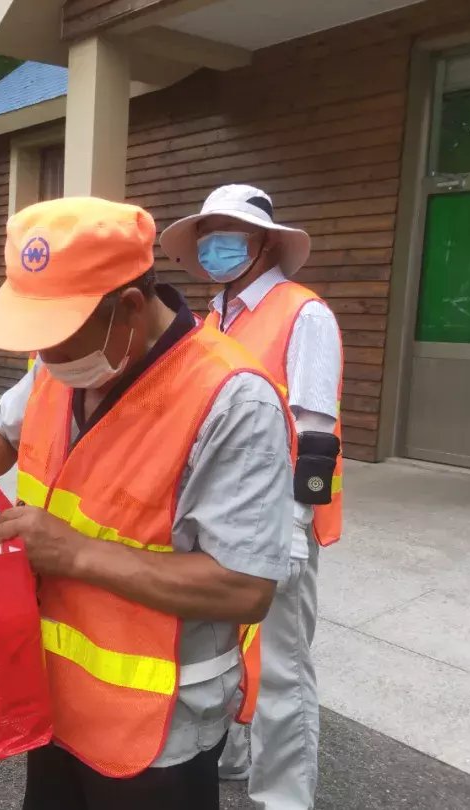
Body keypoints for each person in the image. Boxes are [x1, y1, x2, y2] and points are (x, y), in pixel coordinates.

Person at [0, 196, 294, 809]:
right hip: (52, 697)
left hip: (158, 723)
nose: (45, 358)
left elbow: (244, 588)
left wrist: (72, 553)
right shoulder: (64, 364)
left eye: (59, 339)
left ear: (129, 309)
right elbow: (3, 434)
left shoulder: (232, 402)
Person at [161, 184, 344, 810]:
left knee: (283, 668)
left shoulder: (304, 312)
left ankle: (285, 799)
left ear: (263, 241)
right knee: (227, 651)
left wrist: (296, 520)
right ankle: (234, 762)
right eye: (206, 230)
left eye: (228, 230)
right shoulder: (215, 316)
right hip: (220, 517)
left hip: (280, 521)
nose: (214, 243)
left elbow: (316, 429)